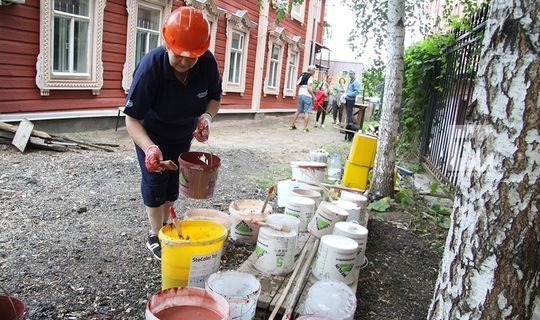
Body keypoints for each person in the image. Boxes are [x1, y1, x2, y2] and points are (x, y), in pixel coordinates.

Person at [122, 6, 222, 261]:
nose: (185, 62)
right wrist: (150, 149)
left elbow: (214, 99)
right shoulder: (150, 68)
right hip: (151, 134)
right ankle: (155, 235)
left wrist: (206, 118)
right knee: (155, 181)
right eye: (179, 55)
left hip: (183, 133)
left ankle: (166, 225)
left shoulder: (207, 63)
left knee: (173, 185)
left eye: (192, 57)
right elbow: (132, 119)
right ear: (167, 42)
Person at [290, 65, 317, 133]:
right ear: (311, 70)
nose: (314, 72)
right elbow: (309, 88)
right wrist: (313, 96)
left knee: (298, 110)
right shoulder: (310, 77)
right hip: (307, 96)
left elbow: (297, 83)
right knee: (307, 112)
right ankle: (305, 128)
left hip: (300, 94)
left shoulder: (302, 75)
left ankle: (292, 125)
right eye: (314, 70)